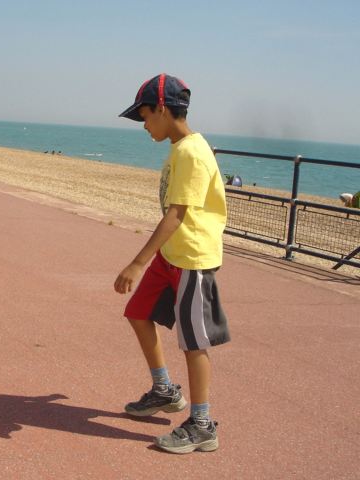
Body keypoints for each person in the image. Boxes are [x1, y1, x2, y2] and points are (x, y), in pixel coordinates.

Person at [115, 74, 230, 454]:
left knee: (194, 343)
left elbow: (176, 214)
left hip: (192, 259)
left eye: (145, 116)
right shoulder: (180, 148)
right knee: (137, 313)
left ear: (162, 109)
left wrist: (136, 263)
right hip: (171, 255)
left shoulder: (192, 153)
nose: (144, 125)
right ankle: (164, 389)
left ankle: (202, 424)